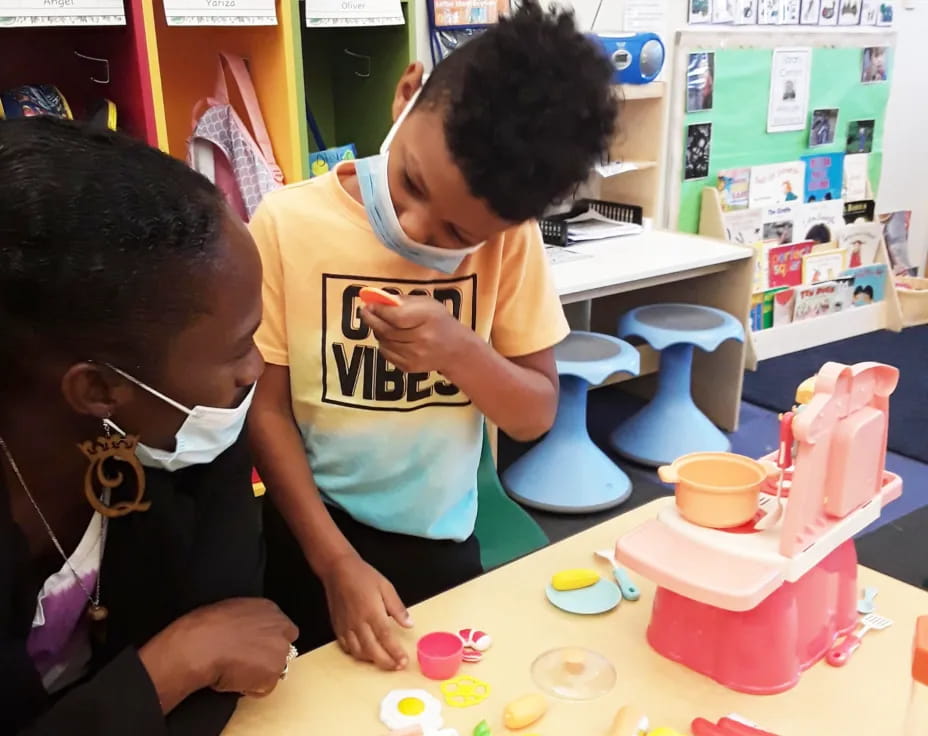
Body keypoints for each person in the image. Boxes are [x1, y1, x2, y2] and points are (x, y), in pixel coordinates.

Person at [248, 1, 618, 671]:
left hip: (440, 543)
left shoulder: (510, 245)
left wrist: (458, 352)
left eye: (456, 235)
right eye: (412, 182)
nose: (417, 230)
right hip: (311, 532)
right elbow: (265, 409)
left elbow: (534, 413)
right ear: (407, 90)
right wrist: (334, 562)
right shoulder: (284, 223)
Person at [0, 118, 298, 734]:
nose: (258, 367)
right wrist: (177, 662)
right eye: (239, 346)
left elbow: (236, 631)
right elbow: (213, 647)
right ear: (98, 389)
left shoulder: (184, 425)